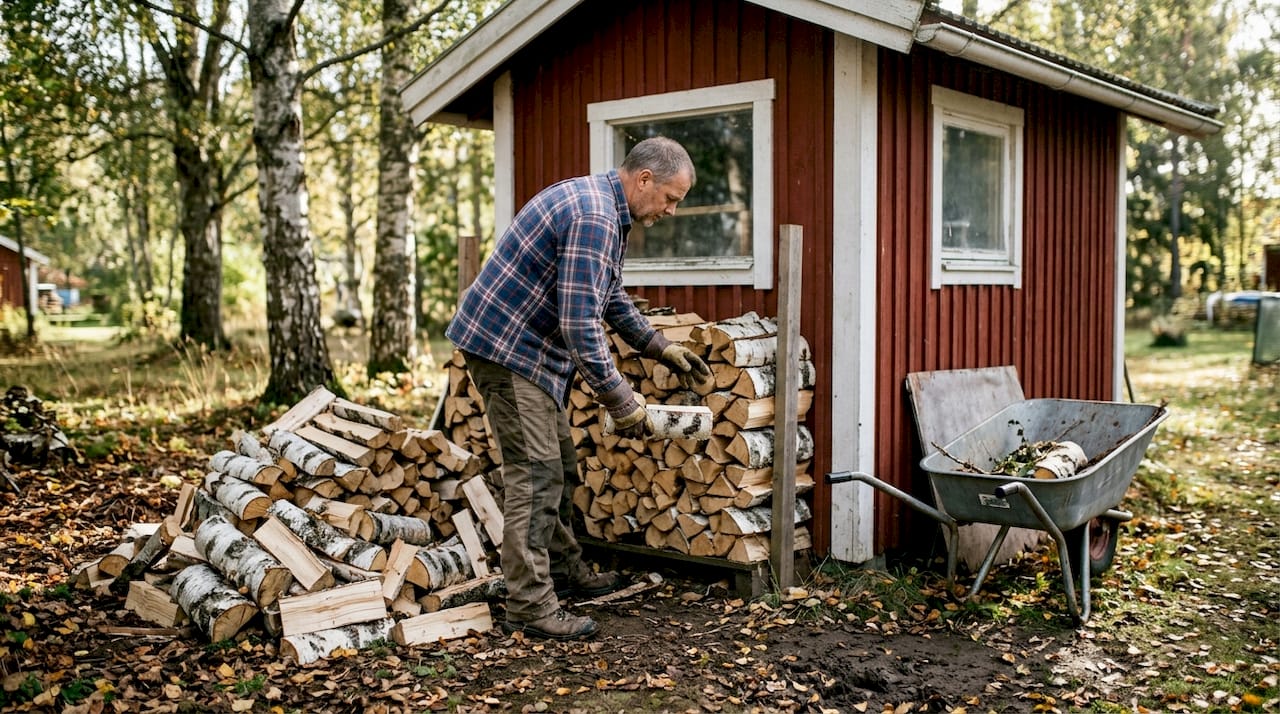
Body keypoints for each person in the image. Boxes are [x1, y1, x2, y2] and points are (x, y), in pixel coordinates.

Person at [446, 136, 713, 640]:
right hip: (508, 351)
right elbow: (579, 322)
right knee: (537, 474)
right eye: (671, 199)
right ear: (645, 180)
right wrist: (621, 400)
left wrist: (659, 347)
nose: (672, 211)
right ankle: (528, 605)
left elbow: (608, 294)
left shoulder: (608, 211)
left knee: (562, 467)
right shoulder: (594, 216)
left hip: (529, 352)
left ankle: (566, 572)